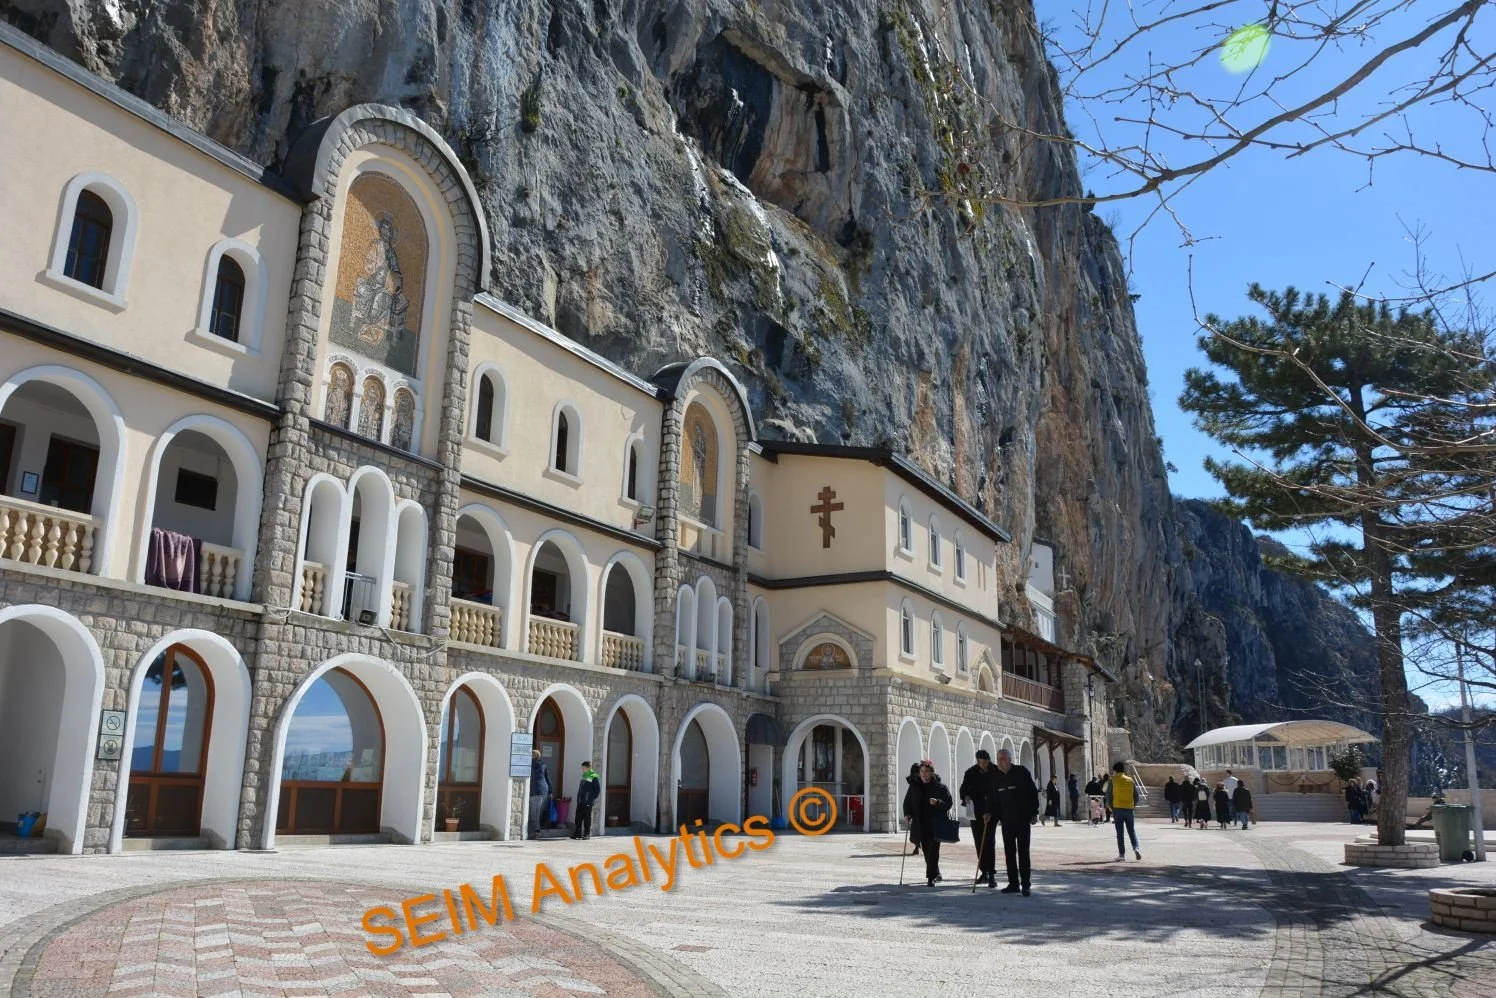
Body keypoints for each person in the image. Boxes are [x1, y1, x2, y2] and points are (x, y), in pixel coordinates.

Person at [993, 749, 1040, 895]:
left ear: (1009, 759)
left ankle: (1025, 884)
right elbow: (993, 799)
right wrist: (989, 813)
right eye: (998, 759)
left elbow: (1033, 793)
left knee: (1023, 852)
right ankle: (1013, 883)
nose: (1000, 762)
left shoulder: (1021, 772)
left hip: (1022, 818)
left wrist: (1034, 812)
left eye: (1002, 759)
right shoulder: (996, 777)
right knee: (1009, 853)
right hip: (1006, 821)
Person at [904, 760, 952, 886]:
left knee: (934, 849)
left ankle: (931, 877)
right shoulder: (914, 786)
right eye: (922, 772)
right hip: (921, 823)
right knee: (926, 849)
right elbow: (907, 801)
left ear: (931, 773)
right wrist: (907, 813)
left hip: (936, 823)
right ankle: (935, 872)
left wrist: (937, 802)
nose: (924, 774)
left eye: (926, 771)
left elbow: (949, 803)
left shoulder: (940, 787)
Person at [959, 749, 1000, 888]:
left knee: (989, 840)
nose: (983, 765)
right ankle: (984, 871)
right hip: (975, 811)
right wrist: (966, 796)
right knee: (978, 840)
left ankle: (992, 872)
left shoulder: (995, 771)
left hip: (991, 811)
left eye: (985, 762)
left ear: (989, 760)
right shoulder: (971, 772)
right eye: (980, 762)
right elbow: (963, 789)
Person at [1107, 761, 1142, 861]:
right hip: (1129, 809)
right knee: (1131, 830)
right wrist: (1133, 805)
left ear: (1114, 770)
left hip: (1117, 808)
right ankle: (1136, 848)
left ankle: (1122, 855)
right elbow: (1136, 796)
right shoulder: (1130, 780)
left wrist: (1111, 807)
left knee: (1120, 833)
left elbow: (1109, 795)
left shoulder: (1112, 780)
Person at [572, 760, 601, 840]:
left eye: (584, 768)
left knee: (587, 818)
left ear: (589, 768)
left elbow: (597, 790)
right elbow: (581, 788)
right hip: (580, 801)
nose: (583, 770)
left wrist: (590, 799)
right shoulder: (584, 775)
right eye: (582, 768)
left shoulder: (594, 776)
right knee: (578, 818)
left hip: (587, 802)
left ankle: (587, 833)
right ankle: (577, 833)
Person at [527, 749, 551, 840]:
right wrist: (551, 791)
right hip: (544, 791)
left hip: (535, 791)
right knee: (538, 813)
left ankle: (536, 832)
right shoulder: (543, 764)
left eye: (531, 755)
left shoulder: (530, 765)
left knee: (534, 813)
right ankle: (535, 831)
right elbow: (548, 779)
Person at [904, 762, 923, 856]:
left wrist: (908, 812)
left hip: (919, 812)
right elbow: (908, 800)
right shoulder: (914, 784)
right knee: (917, 831)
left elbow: (907, 800)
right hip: (917, 812)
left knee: (918, 832)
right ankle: (917, 846)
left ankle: (917, 846)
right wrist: (908, 813)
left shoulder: (915, 784)